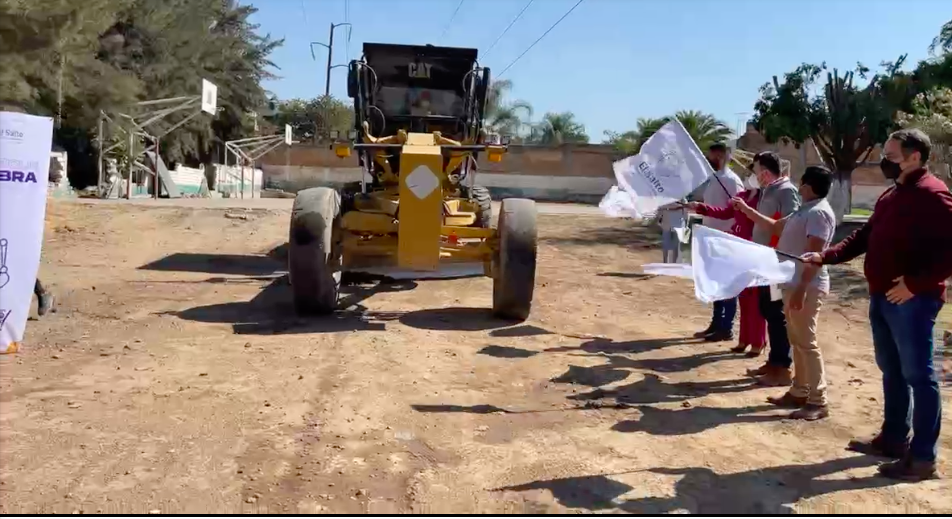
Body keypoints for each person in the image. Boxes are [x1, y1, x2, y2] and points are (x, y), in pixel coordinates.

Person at [802, 129, 952, 481]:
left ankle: (922, 458)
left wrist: (915, 284)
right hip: (881, 297)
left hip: (911, 302)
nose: (884, 159)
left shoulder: (933, 194)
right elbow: (865, 237)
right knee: (893, 371)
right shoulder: (893, 194)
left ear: (914, 156)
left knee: (920, 376)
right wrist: (826, 256)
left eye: (891, 153)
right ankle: (893, 439)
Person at [733, 166, 836, 421]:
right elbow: (776, 228)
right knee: (797, 341)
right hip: (789, 283)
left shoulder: (819, 213)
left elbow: (815, 255)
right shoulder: (803, 210)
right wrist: (746, 210)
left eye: (801, 184)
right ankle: (799, 390)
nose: (798, 187)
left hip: (806, 286)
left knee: (806, 342)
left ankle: (818, 399)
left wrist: (801, 288)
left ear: (809, 186)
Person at [685, 174, 766, 356]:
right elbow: (725, 213)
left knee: (755, 300)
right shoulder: (742, 196)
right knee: (742, 296)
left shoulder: (764, 199)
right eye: (751, 170)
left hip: (755, 249)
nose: (752, 175)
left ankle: (758, 341)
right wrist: (701, 208)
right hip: (737, 250)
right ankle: (743, 339)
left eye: (756, 169)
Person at [741, 151, 800, 386]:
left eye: (756, 171)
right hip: (764, 261)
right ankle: (774, 362)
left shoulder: (786, 191)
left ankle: (782, 367)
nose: (754, 176)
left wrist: (749, 212)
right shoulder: (769, 190)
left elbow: (789, 225)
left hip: (776, 263)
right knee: (767, 309)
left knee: (776, 313)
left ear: (765, 172)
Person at [692, 143, 744, 342]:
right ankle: (716, 323)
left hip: (725, 239)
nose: (708, 159)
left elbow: (737, 211)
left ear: (721, 156)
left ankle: (726, 327)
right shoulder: (713, 179)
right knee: (715, 284)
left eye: (711, 156)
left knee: (727, 285)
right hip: (710, 237)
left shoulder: (731, 181)